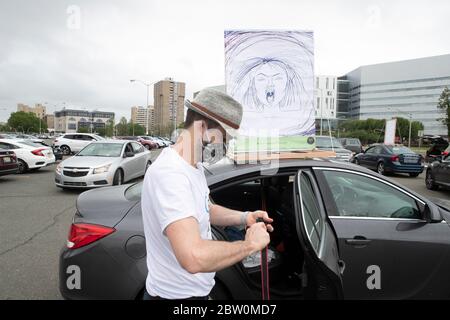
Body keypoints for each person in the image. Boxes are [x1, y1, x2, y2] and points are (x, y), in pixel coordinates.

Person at [141, 88, 273, 300]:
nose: (225, 146)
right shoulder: (170, 174)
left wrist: (244, 216)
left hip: (195, 293)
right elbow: (193, 257)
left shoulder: (193, 167)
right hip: (176, 297)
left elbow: (205, 209)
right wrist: (249, 245)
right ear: (203, 127)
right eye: (224, 138)